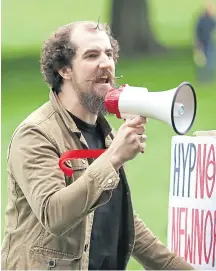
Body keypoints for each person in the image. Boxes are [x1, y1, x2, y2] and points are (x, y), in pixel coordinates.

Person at [1, 21, 194, 270]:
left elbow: (119, 218)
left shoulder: (105, 134)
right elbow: (53, 214)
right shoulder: (36, 134)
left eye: (109, 54)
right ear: (64, 70)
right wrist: (113, 157)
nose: (106, 63)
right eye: (92, 55)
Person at [194, 1, 216, 83]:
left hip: (210, 42)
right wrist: (198, 44)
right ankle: (202, 79)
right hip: (202, 43)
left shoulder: (211, 19)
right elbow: (197, 31)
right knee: (201, 62)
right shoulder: (201, 19)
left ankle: (210, 79)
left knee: (211, 61)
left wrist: (214, 16)